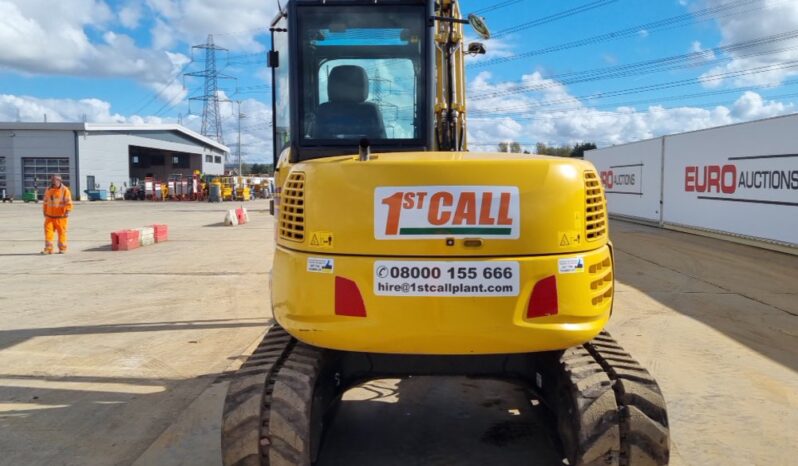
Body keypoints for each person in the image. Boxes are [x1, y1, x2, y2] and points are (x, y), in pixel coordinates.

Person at [42, 175, 73, 255]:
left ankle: (62, 248)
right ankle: (48, 249)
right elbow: (45, 202)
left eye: (55, 180)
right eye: (52, 180)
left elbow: (68, 202)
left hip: (61, 217)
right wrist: (44, 211)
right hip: (49, 216)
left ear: (59, 181)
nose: (53, 182)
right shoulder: (48, 190)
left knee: (61, 233)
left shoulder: (65, 190)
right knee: (48, 233)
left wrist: (67, 211)